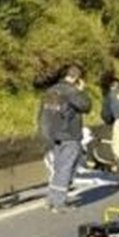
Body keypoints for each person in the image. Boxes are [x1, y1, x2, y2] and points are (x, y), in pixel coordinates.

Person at [39, 65, 92, 212]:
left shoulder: (50, 90)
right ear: (77, 78)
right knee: (67, 168)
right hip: (69, 134)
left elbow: (43, 113)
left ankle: (51, 199)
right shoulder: (72, 91)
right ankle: (59, 204)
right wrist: (81, 91)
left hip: (53, 134)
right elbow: (86, 106)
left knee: (59, 168)